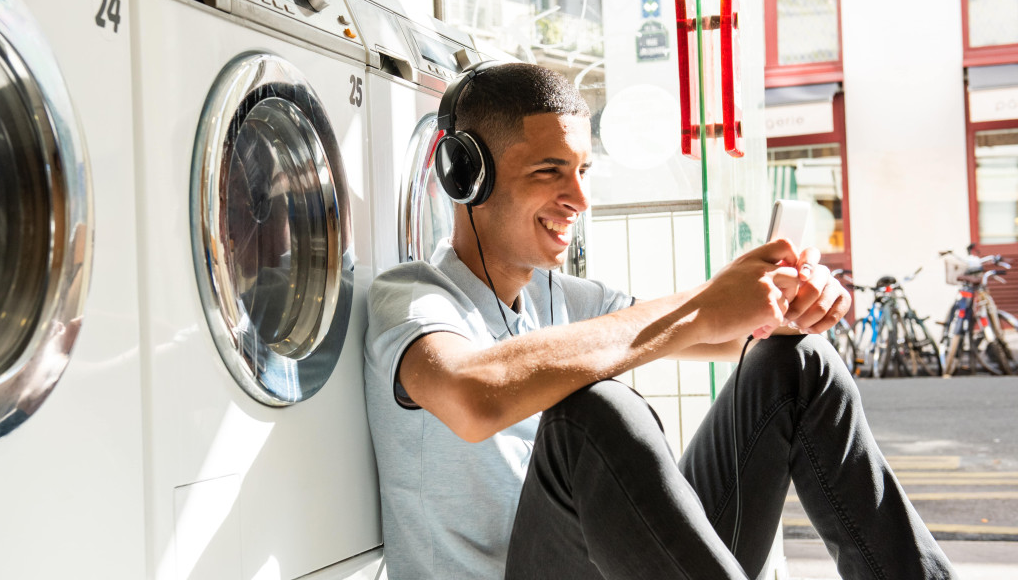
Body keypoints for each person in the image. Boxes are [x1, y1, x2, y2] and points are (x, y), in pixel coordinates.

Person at [363, 62, 955, 580]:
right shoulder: (413, 298)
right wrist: (703, 305)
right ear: (466, 176)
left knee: (797, 363)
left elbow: (721, 336)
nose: (579, 199)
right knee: (595, 413)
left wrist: (783, 304)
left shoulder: (564, 299)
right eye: (549, 170)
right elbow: (472, 397)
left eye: (583, 171)